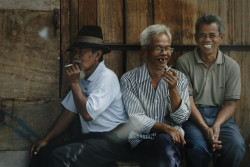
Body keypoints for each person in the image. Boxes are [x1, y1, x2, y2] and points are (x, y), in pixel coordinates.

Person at [29, 25, 131, 167]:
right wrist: (46, 139)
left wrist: (74, 83)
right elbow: (69, 112)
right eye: (75, 52)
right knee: (41, 151)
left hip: (112, 140)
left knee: (61, 156)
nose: (76, 56)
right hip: (91, 139)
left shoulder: (107, 78)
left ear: (98, 54)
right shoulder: (82, 78)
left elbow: (88, 115)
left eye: (81, 52)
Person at [176, 13, 245, 167]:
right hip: (193, 117)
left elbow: (231, 104)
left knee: (236, 145)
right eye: (202, 35)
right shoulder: (184, 62)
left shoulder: (231, 66)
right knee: (198, 149)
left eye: (212, 35)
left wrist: (216, 126)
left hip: (221, 118)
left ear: (221, 37)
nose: (207, 40)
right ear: (195, 37)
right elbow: (188, 101)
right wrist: (205, 128)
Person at [120, 24, 191, 167]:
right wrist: (167, 128)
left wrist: (173, 89)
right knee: (162, 149)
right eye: (159, 48)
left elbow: (181, 118)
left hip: (171, 140)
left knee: (164, 143)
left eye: (168, 48)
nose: (164, 53)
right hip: (141, 141)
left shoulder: (181, 79)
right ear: (145, 51)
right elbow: (136, 119)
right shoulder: (129, 79)